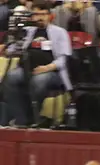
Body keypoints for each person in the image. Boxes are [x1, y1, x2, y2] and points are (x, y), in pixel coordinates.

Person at [0, 1, 72, 129]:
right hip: (27, 68)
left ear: (50, 16)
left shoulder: (60, 32)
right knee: (10, 77)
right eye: (36, 14)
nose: (40, 17)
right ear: (32, 16)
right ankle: (22, 120)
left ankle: (33, 116)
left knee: (39, 80)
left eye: (43, 14)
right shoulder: (28, 31)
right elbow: (15, 49)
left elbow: (63, 59)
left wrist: (47, 68)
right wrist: (5, 48)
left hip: (51, 72)